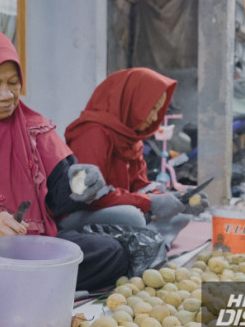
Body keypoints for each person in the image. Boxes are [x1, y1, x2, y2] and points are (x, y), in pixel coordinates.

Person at [0, 29, 128, 299]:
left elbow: (58, 199)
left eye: (13, 83)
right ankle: (42, 289)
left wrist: (81, 184)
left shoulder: (34, 128)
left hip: (39, 246)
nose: (6, 95)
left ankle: (19, 293)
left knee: (111, 253)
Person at [65, 67, 199, 227]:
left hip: (112, 206)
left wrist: (179, 199)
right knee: (132, 217)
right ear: (134, 102)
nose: (155, 117)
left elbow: (140, 185)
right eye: (152, 108)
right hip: (81, 212)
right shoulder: (91, 134)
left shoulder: (131, 138)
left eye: (159, 110)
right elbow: (89, 196)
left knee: (178, 217)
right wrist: (150, 202)